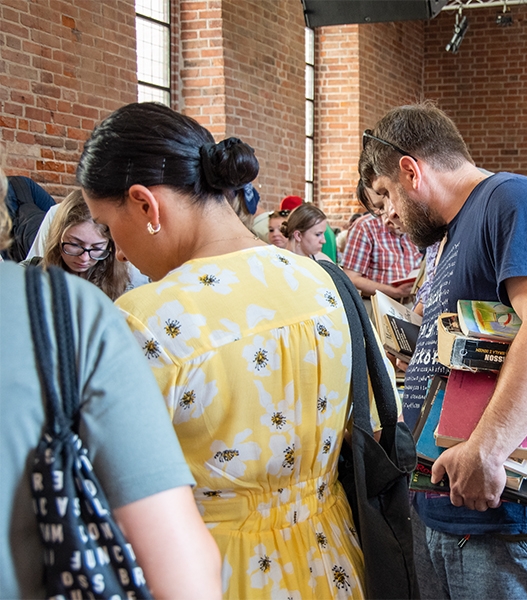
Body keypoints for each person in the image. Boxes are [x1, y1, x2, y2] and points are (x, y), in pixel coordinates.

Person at [76, 102, 382, 598]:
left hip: (219, 570)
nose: (120, 252)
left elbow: (105, 488)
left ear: (145, 205)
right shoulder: (324, 282)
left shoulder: (144, 318)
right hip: (331, 557)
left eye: (109, 229)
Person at [359, 102, 527, 598]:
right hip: (446, 500)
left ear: (410, 170)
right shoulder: (448, 234)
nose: (386, 218)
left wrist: (486, 448)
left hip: (502, 512)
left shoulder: (510, 199)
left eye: (385, 196)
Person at [0, 170, 221, 599]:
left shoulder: (117, 295)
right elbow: (180, 565)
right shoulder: (58, 303)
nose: (84, 256)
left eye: (95, 248)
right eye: (73, 246)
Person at [38, 189, 130, 301]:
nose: (84, 258)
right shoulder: (24, 276)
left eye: (96, 247)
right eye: (75, 244)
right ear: (58, 237)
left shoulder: (123, 285)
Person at [343, 181, 421, 301]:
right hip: (378, 302)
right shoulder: (364, 226)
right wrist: (394, 292)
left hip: (409, 301)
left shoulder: (410, 223)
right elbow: (351, 277)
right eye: (380, 206)